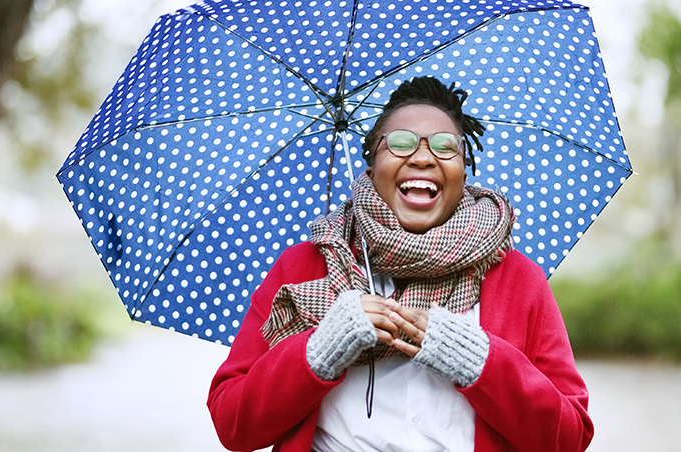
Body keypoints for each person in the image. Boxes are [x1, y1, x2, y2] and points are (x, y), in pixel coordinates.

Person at [207, 76, 593, 452]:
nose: (423, 157)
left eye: (445, 146)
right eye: (400, 143)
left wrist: (478, 359)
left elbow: (568, 438)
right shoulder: (306, 265)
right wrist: (319, 350)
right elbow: (232, 423)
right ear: (372, 162)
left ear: (464, 167)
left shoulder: (516, 277)